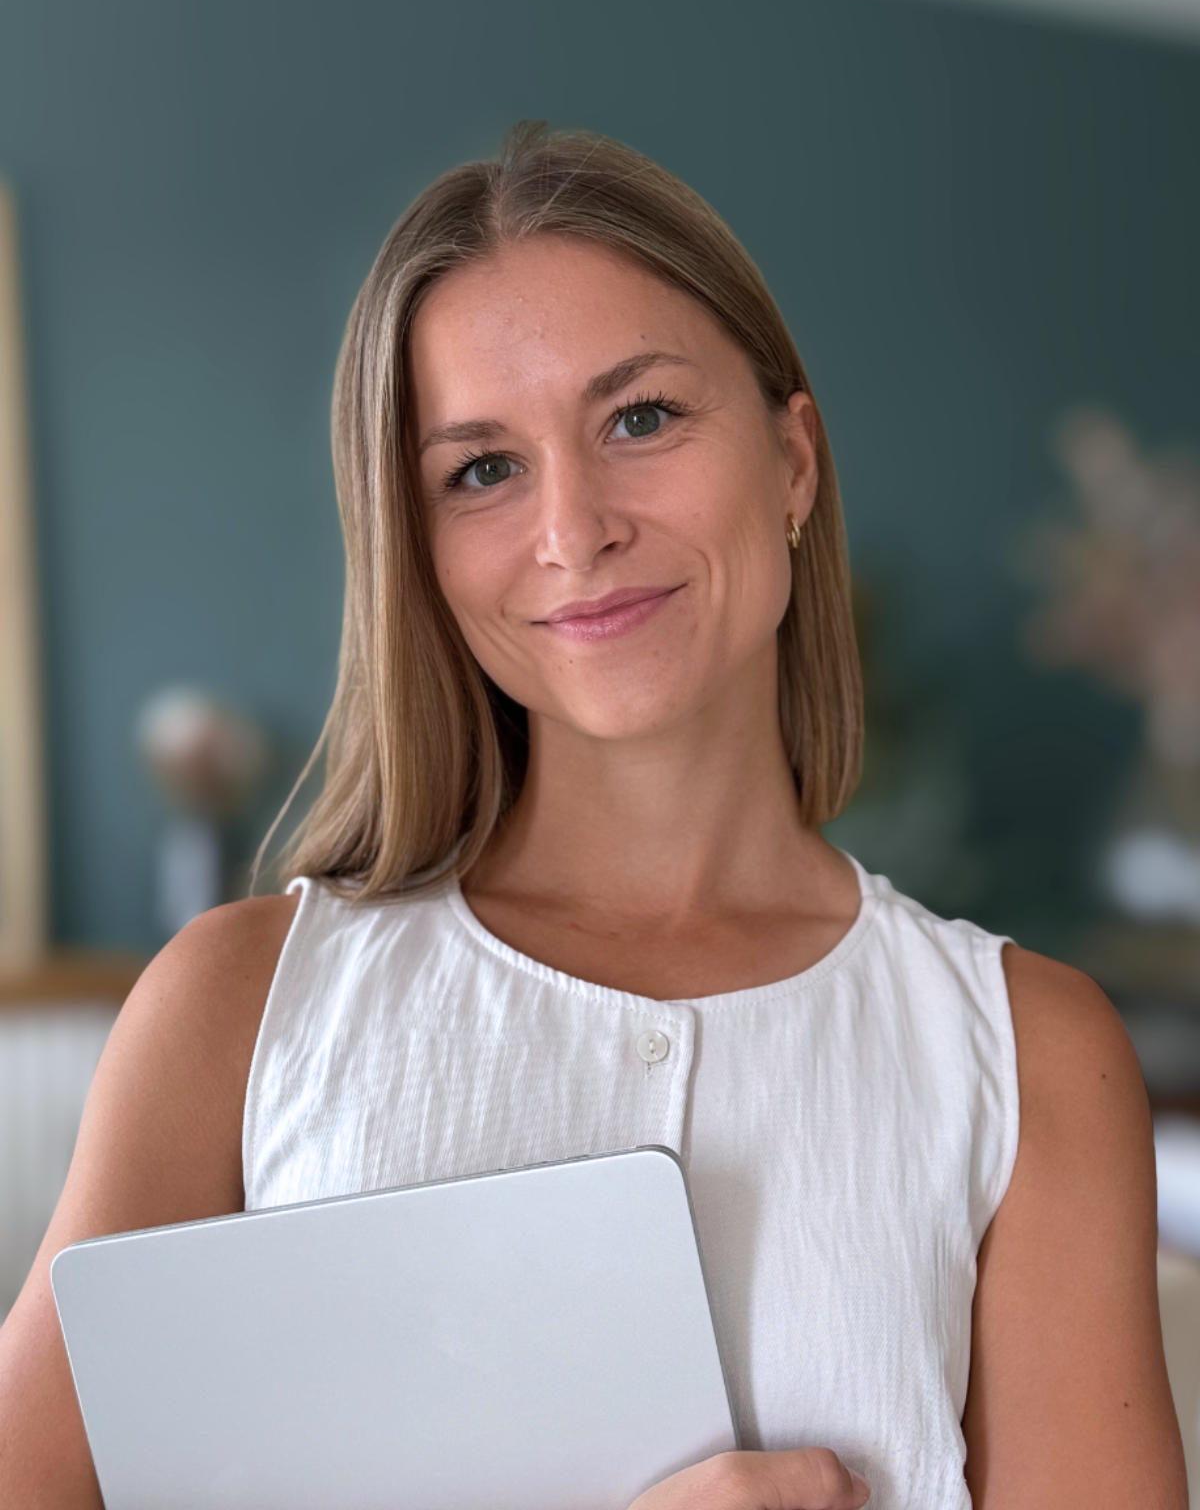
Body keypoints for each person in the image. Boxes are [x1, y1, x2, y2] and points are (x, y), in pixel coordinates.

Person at [0, 125, 1185, 1510]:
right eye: (483, 470)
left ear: (793, 460)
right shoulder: (235, 1009)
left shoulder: (1029, 1056)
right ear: (417, 544)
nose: (574, 530)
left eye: (641, 418)